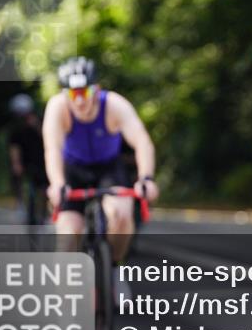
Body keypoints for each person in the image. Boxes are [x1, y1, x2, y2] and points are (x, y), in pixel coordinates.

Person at [43, 57, 159, 261]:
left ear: (96, 89)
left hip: (109, 169)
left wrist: (146, 178)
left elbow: (142, 141)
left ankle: (114, 266)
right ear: (64, 93)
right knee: (68, 235)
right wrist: (57, 184)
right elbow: (52, 149)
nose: (79, 100)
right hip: (73, 169)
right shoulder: (57, 108)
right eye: (72, 93)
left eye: (85, 92)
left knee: (121, 216)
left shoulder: (114, 104)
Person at [8, 93, 49, 225]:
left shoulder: (39, 121)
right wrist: (16, 164)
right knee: (27, 187)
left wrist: (36, 126)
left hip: (42, 161)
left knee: (44, 189)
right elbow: (14, 147)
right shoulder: (15, 128)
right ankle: (22, 205)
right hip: (27, 164)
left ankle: (44, 212)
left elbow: (49, 137)